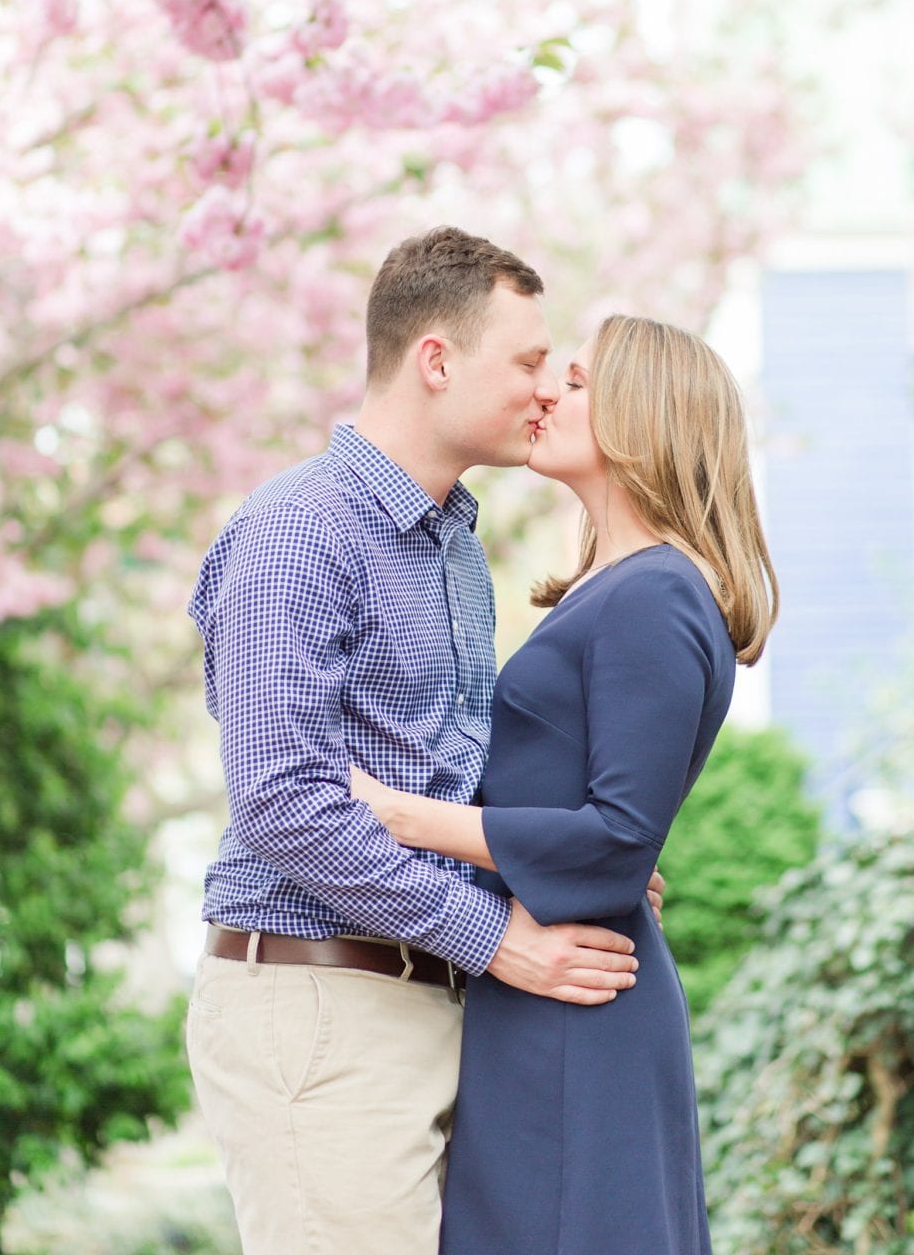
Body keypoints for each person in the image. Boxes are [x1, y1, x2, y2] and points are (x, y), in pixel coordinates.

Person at [184, 227, 651, 1255]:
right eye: (529, 361)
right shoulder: (299, 532)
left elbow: (450, 781)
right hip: (320, 1000)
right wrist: (502, 941)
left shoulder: (451, 546)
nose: (547, 389)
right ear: (436, 360)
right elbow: (285, 804)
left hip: (434, 1000)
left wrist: (565, 855)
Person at [351, 313, 778, 1255]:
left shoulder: (658, 593)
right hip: (549, 988)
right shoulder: (617, 585)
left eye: (577, 382)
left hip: (578, 1006)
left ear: (644, 418)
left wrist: (401, 817)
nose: (547, 391)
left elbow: (619, 841)